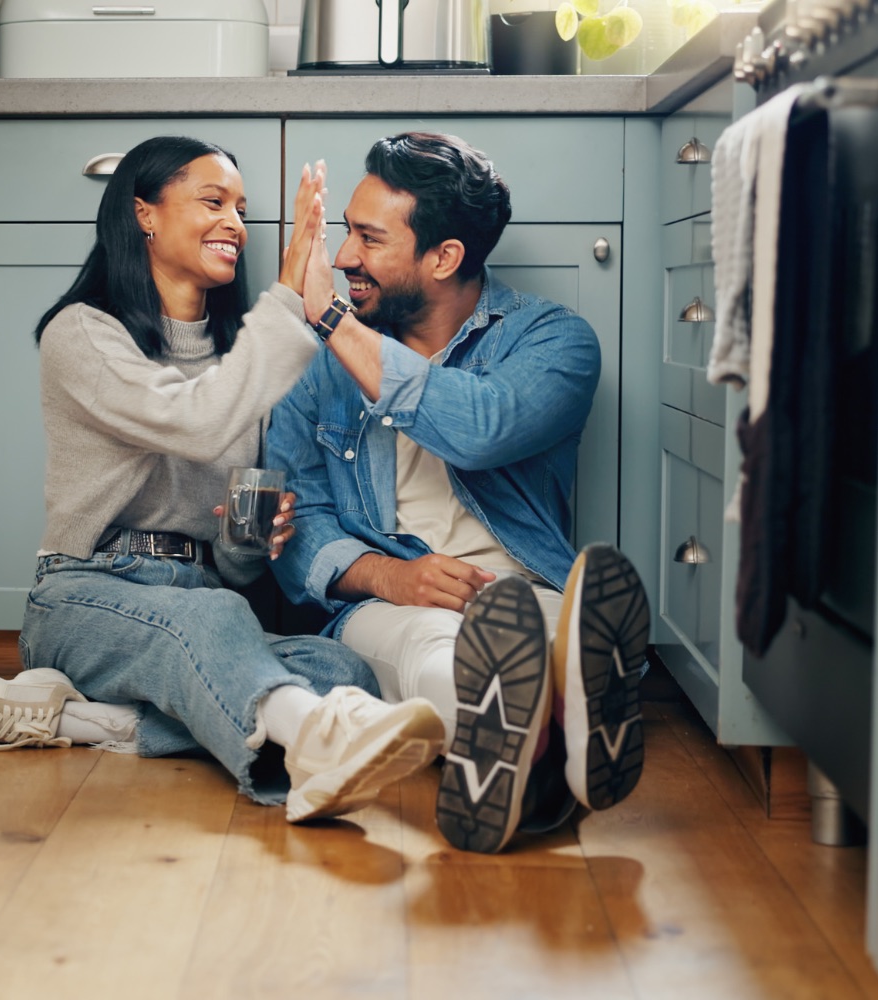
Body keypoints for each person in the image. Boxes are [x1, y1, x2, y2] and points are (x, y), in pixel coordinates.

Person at [0, 135, 448, 823]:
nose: (235, 223)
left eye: (241, 208)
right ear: (144, 213)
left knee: (344, 674)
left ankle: (87, 723)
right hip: (87, 597)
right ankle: (313, 746)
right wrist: (291, 300)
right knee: (217, 623)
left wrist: (250, 538)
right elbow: (196, 423)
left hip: (202, 602)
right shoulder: (83, 334)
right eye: (214, 201)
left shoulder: (243, 360)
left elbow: (231, 566)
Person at [265, 131, 651, 854]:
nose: (343, 257)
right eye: (345, 231)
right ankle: (549, 745)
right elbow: (295, 531)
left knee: (549, 634)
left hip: (520, 589)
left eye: (368, 238)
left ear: (443, 257)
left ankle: (548, 725)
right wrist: (392, 576)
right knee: (430, 644)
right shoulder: (316, 370)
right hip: (387, 605)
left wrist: (329, 318)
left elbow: (480, 427)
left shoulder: (554, 342)